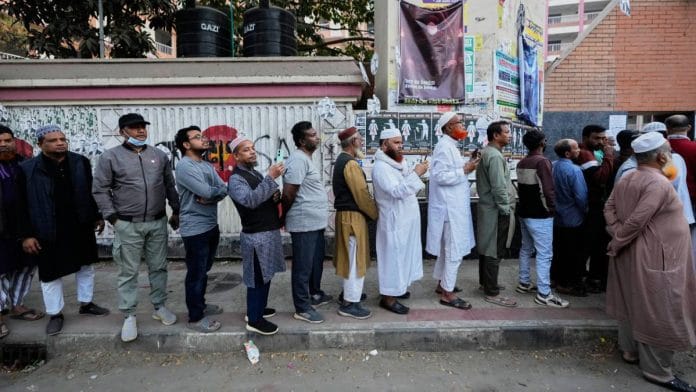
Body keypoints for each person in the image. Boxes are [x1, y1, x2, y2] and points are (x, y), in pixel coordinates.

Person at [605, 131, 696, 392]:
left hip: (641, 253)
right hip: (655, 256)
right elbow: (637, 221)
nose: (671, 154)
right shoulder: (656, 183)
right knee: (659, 310)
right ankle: (659, 372)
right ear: (661, 156)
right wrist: (618, 239)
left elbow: (608, 209)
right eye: (668, 150)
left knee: (634, 303)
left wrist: (615, 233)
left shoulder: (632, 176)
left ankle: (631, 352)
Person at [93, 113, 180, 343]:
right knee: (128, 271)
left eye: (143, 127)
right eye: (134, 128)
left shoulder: (159, 156)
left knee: (159, 267)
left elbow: (169, 185)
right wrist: (113, 218)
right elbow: (100, 189)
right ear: (123, 132)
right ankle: (129, 315)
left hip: (157, 221)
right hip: (127, 224)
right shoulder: (110, 157)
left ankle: (159, 306)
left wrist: (176, 210)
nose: (141, 131)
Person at [16, 125, 109, 336]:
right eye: (53, 140)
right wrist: (26, 235)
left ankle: (86, 304)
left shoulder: (79, 162)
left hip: (79, 224)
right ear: (41, 144)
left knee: (86, 266)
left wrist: (96, 216)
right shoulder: (27, 169)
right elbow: (20, 205)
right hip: (46, 227)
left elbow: (89, 190)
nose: (60, 143)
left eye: (62, 139)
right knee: (50, 273)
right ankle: (55, 314)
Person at [228, 136, 286, 335]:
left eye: (253, 148)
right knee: (257, 277)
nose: (252, 152)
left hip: (267, 232)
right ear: (236, 155)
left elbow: (263, 195)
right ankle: (254, 319)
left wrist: (274, 195)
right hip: (256, 236)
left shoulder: (253, 173)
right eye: (246, 150)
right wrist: (270, 178)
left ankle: (258, 308)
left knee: (266, 273)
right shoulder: (236, 179)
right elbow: (250, 201)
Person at [174, 126, 227, 333]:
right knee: (196, 273)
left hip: (211, 225)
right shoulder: (185, 167)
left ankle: (201, 305)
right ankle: (195, 317)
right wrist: (214, 192)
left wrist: (213, 194)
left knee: (203, 271)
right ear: (186, 145)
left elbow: (224, 189)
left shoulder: (205, 165)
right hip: (195, 229)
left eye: (203, 136)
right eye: (197, 137)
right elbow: (207, 190)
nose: (204, 140)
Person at [426, 112, 478, 310]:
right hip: (449, 210)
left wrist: (468, 165)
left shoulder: (451, 146)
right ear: (448, 127)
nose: (463, 126)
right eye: (459, 123)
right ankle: (448, 293)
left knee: (447, 250)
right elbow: (439, 176)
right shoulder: (444, 147)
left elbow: (454, 172)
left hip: (454, 207)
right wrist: (464, 170)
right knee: (453, 251)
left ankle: (442, 284)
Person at [372, 128, 428, 314]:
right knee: (393, 260)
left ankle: (398, 289)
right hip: (394, 222)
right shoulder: (381, 168)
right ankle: (388, 298)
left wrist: (412, 173)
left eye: (400, 142)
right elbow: (396, 192)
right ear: (384, 144)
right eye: (396, 142)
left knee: (404, 257)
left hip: (405, 220)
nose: (400, 146)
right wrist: (416, 174)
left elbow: (403, 184)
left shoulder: (396, 164)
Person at [281, 121, 331, 324]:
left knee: (314, 262)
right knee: (302, 266)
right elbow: (289, 192)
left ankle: (314, 295)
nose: (317, 137)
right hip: (303, 222)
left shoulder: (306, 158)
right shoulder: (298, 160)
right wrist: (282, 217)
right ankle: (302, 307)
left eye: (315, 133)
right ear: (302, 141)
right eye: (312, 135)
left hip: (315, 222)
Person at [515, 130, 568, 307]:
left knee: (525, 248)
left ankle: (524, 283)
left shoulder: (522, 162)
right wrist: (552, 208)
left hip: (524, 212)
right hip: (540, 214)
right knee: (545, 254)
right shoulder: (543, 162)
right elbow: (548, 189)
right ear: (542, 143)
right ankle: (544, 294)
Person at [0, 125, 43, 339]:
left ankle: (17, 305)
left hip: (24, 227)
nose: (4, 144)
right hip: (1, 229)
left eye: (7, 140)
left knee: (25, 268)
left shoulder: (24, 165)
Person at [332, 127, 378, 319]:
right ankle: (350, 303)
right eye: (359, 139)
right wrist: (375, 213)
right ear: (352, 142)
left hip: (346, 216)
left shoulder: (341, 161)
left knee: (349, 258)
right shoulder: (350, 163)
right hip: (352, 217)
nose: (361, 142)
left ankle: (349, 294)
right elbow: (361, 194)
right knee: (355, 260)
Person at [475, 120, 517, 308]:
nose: (509, 135)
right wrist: (505, 208)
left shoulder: (488, 153)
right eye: (506, 132)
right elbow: (499, 186)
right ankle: (491, 292)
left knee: (487, 245)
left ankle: (486, 283)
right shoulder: (494, 156)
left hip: (488, 208)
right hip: (496, 209)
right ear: (495, 135)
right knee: (494, 249)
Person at [576, 124, 614, 293]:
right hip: (590, 207)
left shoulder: (592, 152)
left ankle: (589, 277)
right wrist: (609, 156)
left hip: (593, 206)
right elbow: (600, 178)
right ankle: (581, 279)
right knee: (588, 245)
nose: (600, 141)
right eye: (596, 138)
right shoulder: (584, 154)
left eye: (602, 138)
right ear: (585, 138)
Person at [551, 139, 588, 297]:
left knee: (558, 250)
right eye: (576, 148)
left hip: (556, 217)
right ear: (567, 153)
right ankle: (568, 283)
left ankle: (556, 279)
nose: (579, 150)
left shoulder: (551, 166)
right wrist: (585, 211)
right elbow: (581, 196)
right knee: (572, 253)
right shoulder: (574, 170)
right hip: (573, 218)